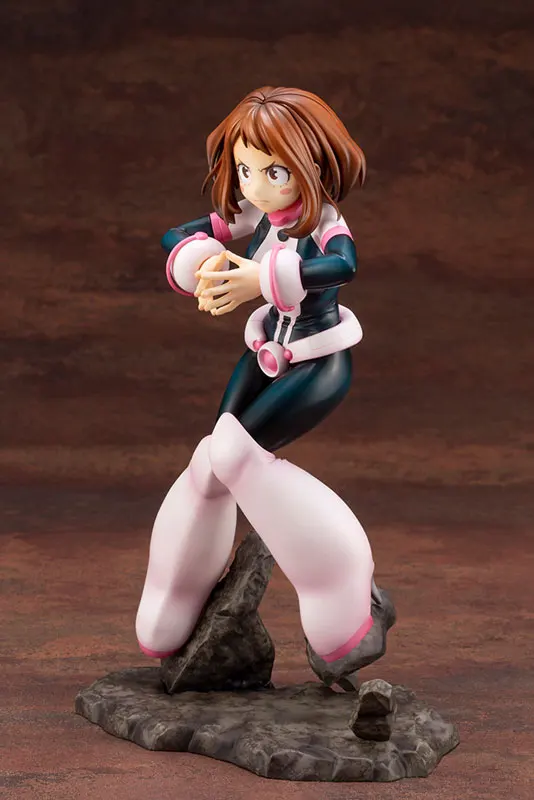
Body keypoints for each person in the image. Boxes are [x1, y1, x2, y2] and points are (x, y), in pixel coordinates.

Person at [135, 86, 394, 686]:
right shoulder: (253, 213)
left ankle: (345, 592)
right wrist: (200, 258)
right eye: (245, 169)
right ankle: (174, 592)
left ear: (314, 166)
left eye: (273, 172)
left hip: (316, 361)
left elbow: (343, 266)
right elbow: (178, 233)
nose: (254, 186)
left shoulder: (325, 224)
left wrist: (262, 278)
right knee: (212, 457)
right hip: (265, 352)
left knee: (235, 455)